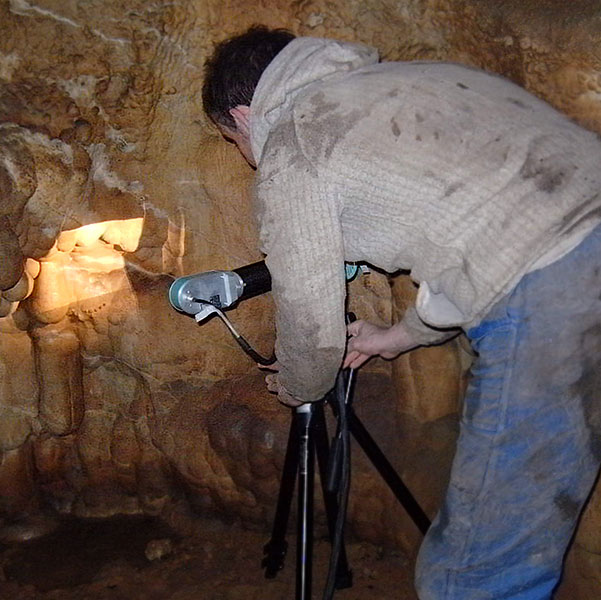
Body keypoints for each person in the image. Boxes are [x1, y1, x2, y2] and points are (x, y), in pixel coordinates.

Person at [202, 25, 601, 600]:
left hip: (553, 302)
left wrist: (298, 384)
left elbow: (310, 314)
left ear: (243, 115)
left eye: (231, 141)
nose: (244, 157)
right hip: (569, 263)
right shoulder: (424, 78)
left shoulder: (298, 141)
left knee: (472, 577)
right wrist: (401, 336)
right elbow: (486, 236)